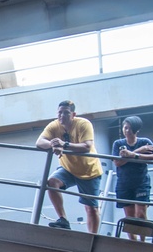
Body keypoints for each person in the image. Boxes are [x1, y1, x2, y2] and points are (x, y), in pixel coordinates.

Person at [36, 100, 104, 233]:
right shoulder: (54, 125)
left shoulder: (84, 124)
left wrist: (64, 145)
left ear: (73, 114)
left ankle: (93, 238)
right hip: (68, 168)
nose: (62, 116)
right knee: (51, 182)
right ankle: (63, 219)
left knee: (90, 208)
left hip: (89, 171)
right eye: (59, 113)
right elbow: (39, 142)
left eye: (66, 113)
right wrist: (53, 145)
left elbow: (87, 146)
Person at [111, 115, 153, 238]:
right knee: (130, 217)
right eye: (124, 128)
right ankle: (133, 243)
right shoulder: (118, 143)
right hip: (124, 183)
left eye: (129, 128)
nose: (126, 130)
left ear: (136, 129)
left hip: (141, 182)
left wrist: (131, 154)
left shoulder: (145, 142)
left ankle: (142, 243)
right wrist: (139, 151)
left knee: (141, 214)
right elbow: (117, 162)